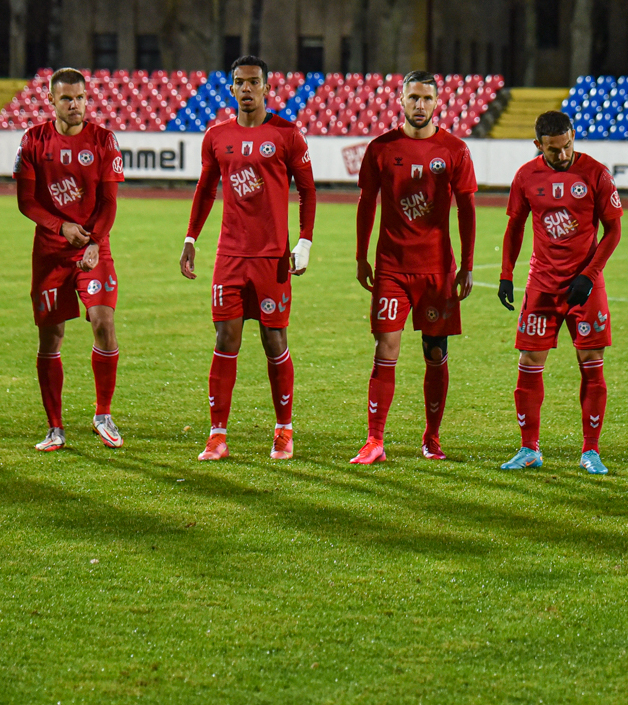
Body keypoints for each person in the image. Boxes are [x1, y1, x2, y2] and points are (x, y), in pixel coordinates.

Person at [181, 56, 317, 461]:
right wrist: (190, 237)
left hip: (272, 257)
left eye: (254, 82)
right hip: (230, 256)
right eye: (240, 82)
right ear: (231, 88)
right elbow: (205, 189)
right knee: (225, 339)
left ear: (267, 88)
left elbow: (308, 190)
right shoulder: (216, 136)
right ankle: (217, 436)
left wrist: (304, 242)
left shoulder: (287, 135)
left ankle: (284, 431)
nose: (246, 88)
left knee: (274, 341)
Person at [349, 70, 477, 464]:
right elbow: (366, 203)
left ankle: (432, 438)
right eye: (413, 98)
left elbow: (467, 209)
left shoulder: (454, 149)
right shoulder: (381, 148)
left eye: (426, 98)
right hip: (391, 267)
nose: (419, 105)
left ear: (437, 102)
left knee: (435, 354)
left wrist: (467, 264)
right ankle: (375, 440)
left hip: (437, 270)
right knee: (385, 348)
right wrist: (361, 256)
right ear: (401, 100)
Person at [496, 110, 623, 474]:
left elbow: (613, 231)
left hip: (585, 286)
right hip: (542, 285)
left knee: (591, 364)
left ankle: (591, 451)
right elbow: (515, 227)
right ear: (538, 145)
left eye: (567, 145)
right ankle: (529, 449)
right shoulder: (525, 176)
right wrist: (506, 275)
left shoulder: (596, 173)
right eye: (554, 149)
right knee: (529, 363)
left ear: (572, 137)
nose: (563, 154)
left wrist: (589, 275)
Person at [14, 68, 126, 452]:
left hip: (94, 247)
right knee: (51, 337)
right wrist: (60, 227)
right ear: (51, 100)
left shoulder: (104, 140)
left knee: (104, 322)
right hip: (50, 254)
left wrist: (94, 241)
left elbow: (109, 202)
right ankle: (55, 427)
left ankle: (103, 415)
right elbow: (26, 201)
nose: (75, 104)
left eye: (80, 97)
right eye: (66, 98)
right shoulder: (33, 140)